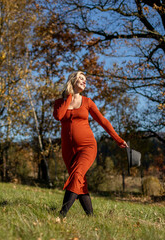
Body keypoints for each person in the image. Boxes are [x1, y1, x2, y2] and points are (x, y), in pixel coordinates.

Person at [53, 71, 128, 217]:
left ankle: (61, 215)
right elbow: (59, 116)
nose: (84, 81)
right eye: (81, 79)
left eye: (85, 79)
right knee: (80, 181)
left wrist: (118, 139)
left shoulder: (87, 102)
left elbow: (103, 121)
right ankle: (91, 217)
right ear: (73, 81)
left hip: (87, 146)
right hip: (68, 150)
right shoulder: (60, 102)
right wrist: (69, 96)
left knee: (76, 176)